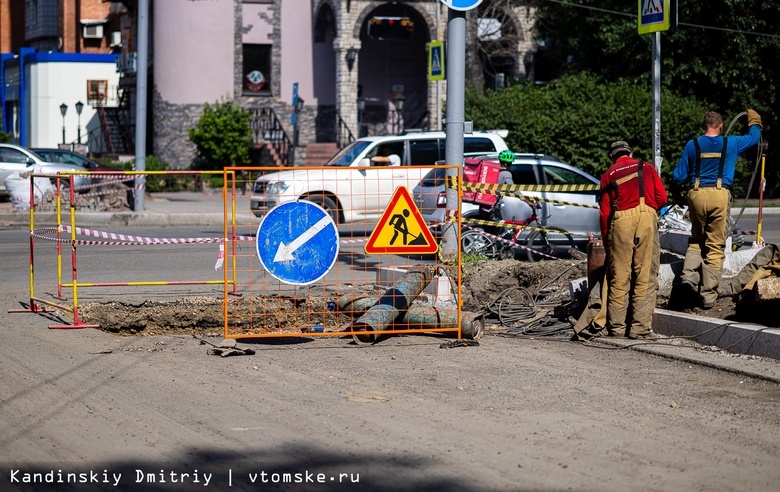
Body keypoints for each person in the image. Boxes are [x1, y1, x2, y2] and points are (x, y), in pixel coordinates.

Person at [671, 110, 762, 309]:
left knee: (696, 240)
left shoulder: (692, 144)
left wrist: (677, 194)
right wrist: (754, 121)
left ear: (705, 126)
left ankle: (688, 279)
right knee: (714, 246)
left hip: (696, 195)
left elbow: (678, 176)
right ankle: (707, 297)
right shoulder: (732, 142)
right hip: (720, 196)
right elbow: (755, 138)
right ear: (720, 127)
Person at [599, 141, 667, 339]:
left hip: (620, 220)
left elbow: (605, 214)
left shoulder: (608, 175)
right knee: (645, 274)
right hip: (646, 215)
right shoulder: (645, 167)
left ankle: (617, 328)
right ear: (630, 153)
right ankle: (640, 328)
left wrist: (607, 243)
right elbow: (662, 198)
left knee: (620, 275)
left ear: (612, 157)